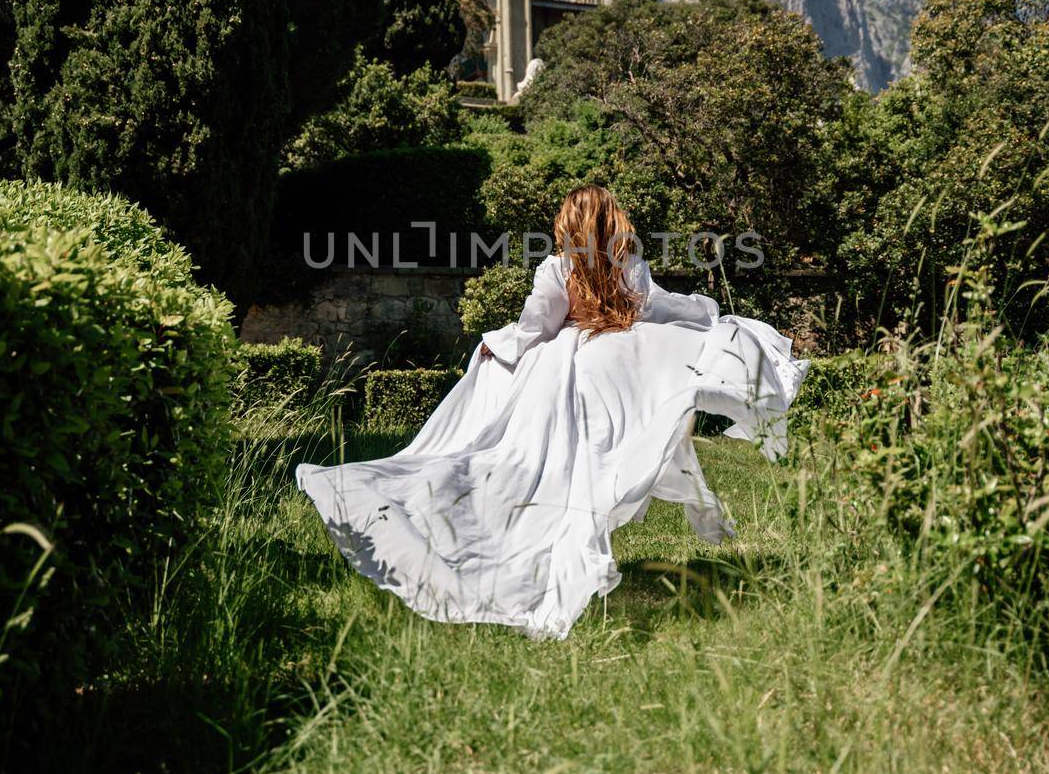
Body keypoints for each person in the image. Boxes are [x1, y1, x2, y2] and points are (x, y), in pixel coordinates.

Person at [296, 185, 806, 641]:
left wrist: (496, 347)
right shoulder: (631, 262)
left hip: (568, 361)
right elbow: (655, 309)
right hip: (620, 361)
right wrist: (705, 312)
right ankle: (576, 524)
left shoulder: (558, 267)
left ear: (570, 223)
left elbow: (537, 325)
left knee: (531, 450)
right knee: (599, 452)